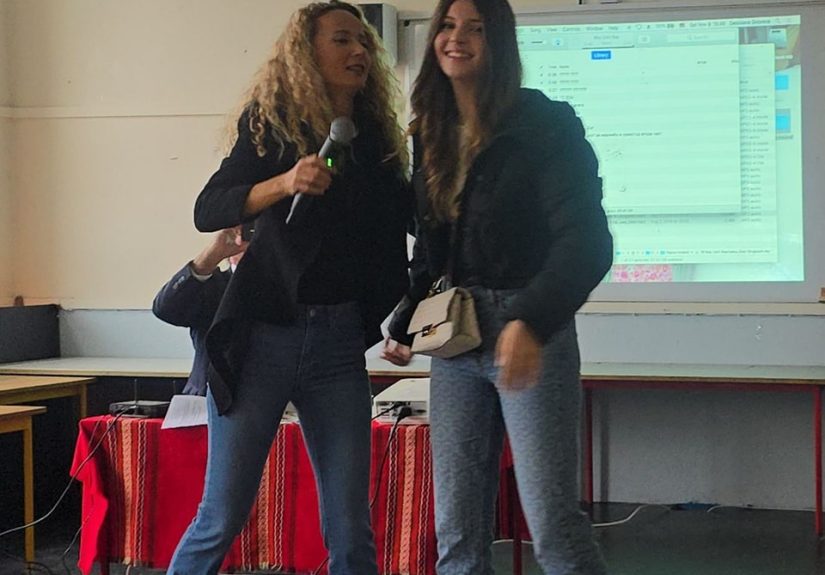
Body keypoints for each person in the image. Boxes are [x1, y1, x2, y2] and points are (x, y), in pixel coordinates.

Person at [167, 2, 411, 574]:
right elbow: (210, 208)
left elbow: (407, 227)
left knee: (351, 528)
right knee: (222, 514)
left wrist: (407, 316)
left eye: (363, 42)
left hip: (338, 343)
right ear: (307, 52)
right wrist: (284, 182)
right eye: (342, 39)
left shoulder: (375, 139)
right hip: (262, 337)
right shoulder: (271, 125)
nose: (358, 51)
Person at [382, 0, 613, 573]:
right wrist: (406, 322)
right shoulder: (431, 132)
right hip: (456, 340)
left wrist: (530, 321)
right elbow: (434, 248)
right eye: (448, 26)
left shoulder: (544, 124)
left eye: (476, 28)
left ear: (500, 43)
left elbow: (587, 243)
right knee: (456, 528)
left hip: (529, 332)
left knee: (551, 525)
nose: (456, 38)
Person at [152, 226, 247, 396]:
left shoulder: (289, 289)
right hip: (211, 398)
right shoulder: (212, 286)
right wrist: (211, 256)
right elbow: (165, 309)